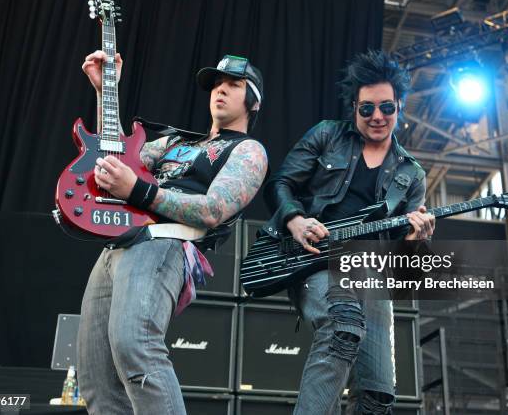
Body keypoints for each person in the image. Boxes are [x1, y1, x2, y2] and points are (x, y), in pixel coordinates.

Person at [76, 51, 268, 414]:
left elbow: (214, 209)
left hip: (164, 242)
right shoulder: (174, 142)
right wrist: (106, 91)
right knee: (96, 376)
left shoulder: (247, 150)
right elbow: (114, 158)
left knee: (135, 345)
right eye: (216, 84)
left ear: (253, 101)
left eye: (234, 85)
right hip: (116, 248)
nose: (220, 90)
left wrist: (139, 191)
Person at [261, 50, 435, 414]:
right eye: (367, 108)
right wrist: (294, 220)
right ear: (354, 108)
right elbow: (280, 183)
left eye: (386, 108)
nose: (377, 117)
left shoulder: (412, 175)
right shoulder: (327, 136)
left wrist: (416, 240)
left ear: (399, 107)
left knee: (377, 397)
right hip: (315, 260)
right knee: (343, 325)